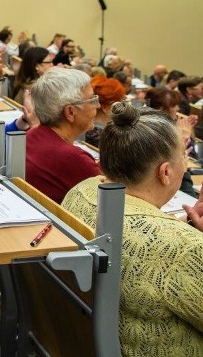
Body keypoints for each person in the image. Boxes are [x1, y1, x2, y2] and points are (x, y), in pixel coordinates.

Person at [62, 103, 203, 357]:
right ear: (166, 172)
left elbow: (136, 241)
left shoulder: (82, 191)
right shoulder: (183, 249)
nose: (186, 164)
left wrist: (189, 228)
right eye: (184, 155)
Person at [25, 68, 101, 203]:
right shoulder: (74, 159)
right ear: (70, 112)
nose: (98, 105)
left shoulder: (31, 134)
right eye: (92, 100)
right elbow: (115, 200)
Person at [83, 76, 127, 147]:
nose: (123, 106)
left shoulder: (88, 127)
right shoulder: (103, 136)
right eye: (120, 102)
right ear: (105, 107)